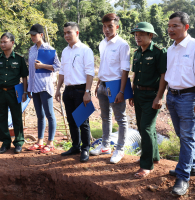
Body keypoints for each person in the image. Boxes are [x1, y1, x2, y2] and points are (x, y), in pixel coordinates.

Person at [164, 11, 195, 196]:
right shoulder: (171, 49)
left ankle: (182, 178)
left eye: (175, 26)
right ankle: (192, 166)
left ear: (186, 27)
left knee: (187, 137)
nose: (171, 29)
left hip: (189, 97)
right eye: (169, 26)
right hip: (173, 96)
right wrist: (168, 97)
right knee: (181, 134)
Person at [128, 22, 167, 178]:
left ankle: (146, 166)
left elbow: (164, 75)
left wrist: (159, 96)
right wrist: (131, 92)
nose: (138, 37)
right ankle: (154, 157)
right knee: (144, 127)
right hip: (138, 94)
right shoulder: (137, 53)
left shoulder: (159, 52)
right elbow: (135, 75)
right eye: (136, 35)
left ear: (150, 36)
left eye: (141, 34)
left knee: (145, 128)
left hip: (152, 96)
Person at [91, 13, 130, 164]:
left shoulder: (122, 45)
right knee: (105, 117)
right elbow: (103, 65)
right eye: (104, 26)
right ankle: (105, 146)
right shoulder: (102, 44)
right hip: (102, 85)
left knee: (121, 119)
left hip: (115, 85)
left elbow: (125, 70)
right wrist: (98, 82)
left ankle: (119, 149)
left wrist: (121, 91)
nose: (106, 29)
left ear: (117, 27)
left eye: (110, 26)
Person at [55, 22, 95, 163]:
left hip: (81, 90)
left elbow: (90, 72)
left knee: (83, 122)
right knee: (72, 121)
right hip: (68, 90)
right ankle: (75, 146)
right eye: (64, 33)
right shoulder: (65, 51)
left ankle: (85, 148)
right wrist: (58, 89)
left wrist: (87, 92)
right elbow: (62, 71)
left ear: (77, 33)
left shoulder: (85, 50)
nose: (66, 35)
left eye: (69, 32)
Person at [0, 32, 29, 154]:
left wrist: (24, 92)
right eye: (1, 42)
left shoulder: (19, 59)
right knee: (1, 118)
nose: (2, 44)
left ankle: (18, 142)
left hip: (14, 92)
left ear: (12, 43)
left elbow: (24, 77)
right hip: (0, 91)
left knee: (17, 117)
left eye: (5, 42)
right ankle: (5, 143)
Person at [26, 24, 61, 154]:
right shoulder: (31, 50)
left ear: (41, 35)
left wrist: (43, 66)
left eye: (34, 35)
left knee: (50, 115)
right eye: (31, 35)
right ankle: (40, 142)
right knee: (40, 116)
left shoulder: (49, 49)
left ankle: (50, 143)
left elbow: (58, 66)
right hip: (34, 86)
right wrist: (29, 87)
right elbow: (30, 69)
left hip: (45, 86)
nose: (32, 37)